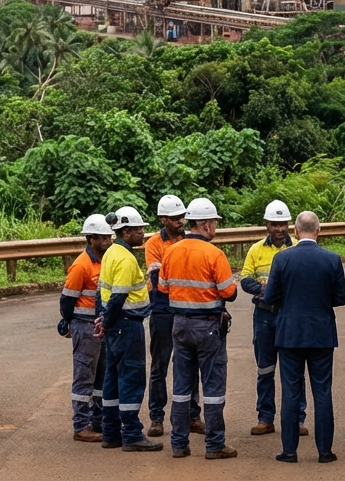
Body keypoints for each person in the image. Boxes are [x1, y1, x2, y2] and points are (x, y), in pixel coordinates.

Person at [261, 211, 345, 464]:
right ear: (318, 231)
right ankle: (324, 451)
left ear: (296, 232)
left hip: (289, 333)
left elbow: (271, 297)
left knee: (290, 391)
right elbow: (341, 298)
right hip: (321, 333)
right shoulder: (332, 259)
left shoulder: (282, 258)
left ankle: (289, 451)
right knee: (322, 391)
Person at [159, 197, 238, 460]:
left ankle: (179, 444)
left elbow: (163, 287)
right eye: (214, 222)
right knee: (213, 389)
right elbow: (229, 291)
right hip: (208, 329)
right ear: (205, 224)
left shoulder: (171, 251)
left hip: (180, 326)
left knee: (182, 387)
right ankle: (215, 445)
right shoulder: (214, 254)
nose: (215, 227)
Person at [95, 206, 161, 452]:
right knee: (131, 378)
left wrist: (103, 320)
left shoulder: (111, 253)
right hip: (127, 325)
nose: (142, 234)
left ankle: (111, 432)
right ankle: (132, 434)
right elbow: (119, 296)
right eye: (138, 230)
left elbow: (102, 293)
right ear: (125, 231)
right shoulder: (124, 258)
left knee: (112, 378)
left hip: (115, 326)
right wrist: (108, 320)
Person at [240, 199, 306, 438]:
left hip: (290, 315)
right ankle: (265, 418)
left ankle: (297, 419)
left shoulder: (298, 247)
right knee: (265, 369)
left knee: (295, 370)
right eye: (274, 224)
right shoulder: (256, 250)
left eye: (283, 224)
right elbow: (245, 279)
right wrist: (262, 287)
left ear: (289, 225)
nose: (279, 229)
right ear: (266, 225)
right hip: (264, 316)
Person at [143, 194, 201, 437]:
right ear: (162, 219)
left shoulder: (190, 240)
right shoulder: (154, 244)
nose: (180, 221)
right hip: (163, 310)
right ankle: (156, 417)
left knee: (189, 364)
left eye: (182, 217)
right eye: (175, 218)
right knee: (160, 365)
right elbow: (158, 279)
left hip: (187, 309)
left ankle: (193, 415)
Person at [60, 214, 113, 442]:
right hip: (85, 326)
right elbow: (66, 301)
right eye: (102, 238)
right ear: (90, 238)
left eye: (108, 237)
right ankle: (81, 426)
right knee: (84, 377)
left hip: (100, 327)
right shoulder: (81, 265)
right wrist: (69, 322)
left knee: (101, 377)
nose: (107, 242)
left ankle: (97, 422)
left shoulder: (106, 261)